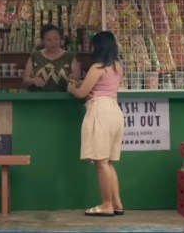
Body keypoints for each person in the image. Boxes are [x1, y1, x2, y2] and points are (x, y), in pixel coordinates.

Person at [67, 31, 125, 217]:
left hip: (100, 110)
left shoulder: (97, 68)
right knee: (108, 162)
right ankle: (117, 203)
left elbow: (81, 93)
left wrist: (71, 87)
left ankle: (106, 205)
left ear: (97, 47)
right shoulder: (117, 66)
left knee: (101, 163)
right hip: (115, 111)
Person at [23, 24, 81, 92]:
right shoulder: (34, 56)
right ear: (42, 41)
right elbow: (25, 80)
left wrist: (73, 78)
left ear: (60, 39)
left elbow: (77, 79)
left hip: (63, 97)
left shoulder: (70, 56)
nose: (53, 43)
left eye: (56, 39)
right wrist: (33, 80)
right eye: (49, 40)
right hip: (38, 97)